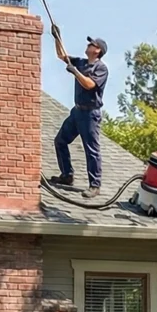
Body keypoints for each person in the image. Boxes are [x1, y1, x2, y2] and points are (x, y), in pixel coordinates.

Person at [49, 25, 109, 198]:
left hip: (90, 114)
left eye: (92, 44)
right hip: (77, 112)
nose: (88, 46)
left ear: (97, 51)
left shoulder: (101, 68)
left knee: (91, 150)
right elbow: (62, 56)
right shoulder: (81, 62)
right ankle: (67, 175)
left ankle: (95, 185)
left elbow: (89, 84)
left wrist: (75, 72)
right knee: (60, 141)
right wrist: (57, 37)